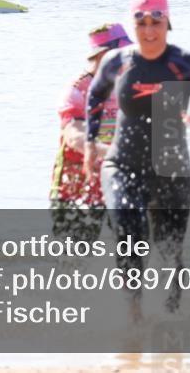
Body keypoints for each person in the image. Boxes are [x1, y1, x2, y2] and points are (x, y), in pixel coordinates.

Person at [85, 0, 190, 319]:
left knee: (168, 249)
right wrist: (91, 144)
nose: (148, 31)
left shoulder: (186, 64)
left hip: (171, 168)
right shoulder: (116, 61)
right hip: (122, 163)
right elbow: (94, 97)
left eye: (155, 22)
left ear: (168, 21)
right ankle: (133, 315)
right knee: (127, 231)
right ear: (132, 25)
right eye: (141, 22)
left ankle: (172, 315)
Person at [50, 23, 132, 242]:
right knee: (74, 262)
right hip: (76, 184)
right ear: (104, 55)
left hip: (116, 181)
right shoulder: (77, 89)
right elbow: (75, 135)